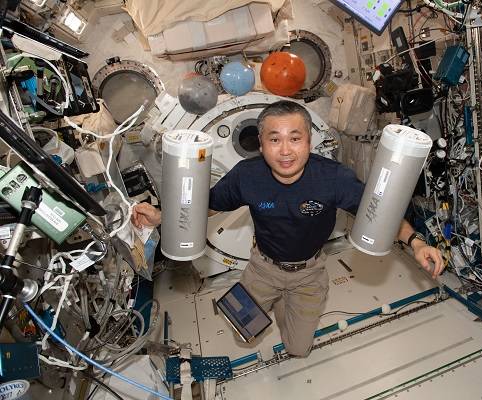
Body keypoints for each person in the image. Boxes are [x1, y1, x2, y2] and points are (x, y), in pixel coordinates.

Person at [132, 100, 445, 357]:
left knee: (299, 349)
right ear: (261, 144)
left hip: (309, 273)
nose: (285, 151)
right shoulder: (246, 175)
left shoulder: (333, 178)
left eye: (295, 138)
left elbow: (381, 214)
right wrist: (162, 215)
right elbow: (207, 204)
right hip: (261, 269)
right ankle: (273, 300)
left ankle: (287, 307)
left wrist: (416, 242)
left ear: (309, 141)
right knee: (244, 336)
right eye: (274, 139)